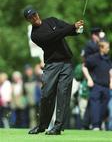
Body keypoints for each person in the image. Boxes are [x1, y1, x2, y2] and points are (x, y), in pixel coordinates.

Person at [24, 7, 84, 135]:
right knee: (46, 95)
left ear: (37, 13)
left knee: (63, 94)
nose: (34, 17)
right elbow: (54, 36)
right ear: (28, 20)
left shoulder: (51, 20)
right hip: (51, 65)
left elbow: (67, 29)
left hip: (67, 63)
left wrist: (77, 29)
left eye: (34, 14)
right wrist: (71, 27)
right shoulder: (35, 35)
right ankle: (42, 125)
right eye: (31, 17)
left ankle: (58, 127)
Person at [85, 40, 112, 130]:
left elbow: (110, 71)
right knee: (95, 106)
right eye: (107, 47)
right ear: (101, 48)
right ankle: (95, 125)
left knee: (104, 107)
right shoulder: (94, 58)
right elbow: (84, 67)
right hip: (96, 86)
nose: (108, 49)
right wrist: (89, 79)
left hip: (106, 87)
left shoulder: (108, 59)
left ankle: (98, 125)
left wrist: (111, 82)